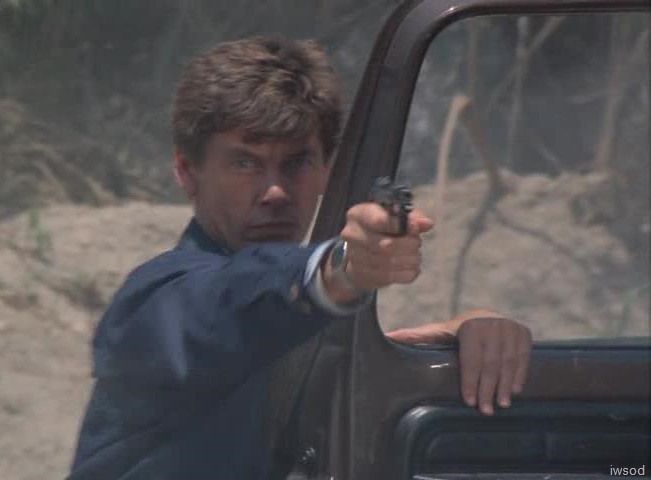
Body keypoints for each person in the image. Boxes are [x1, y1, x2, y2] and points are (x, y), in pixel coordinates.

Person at [67, 36, 531, 480]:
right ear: (188, 172)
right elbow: (238, 301)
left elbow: (300, 349)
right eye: (245, 163)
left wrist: (470, 331)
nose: (275, 191)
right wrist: (343, 268)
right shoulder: (157, 300)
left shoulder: (294, 319)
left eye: (296, 163)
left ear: (326, 168)